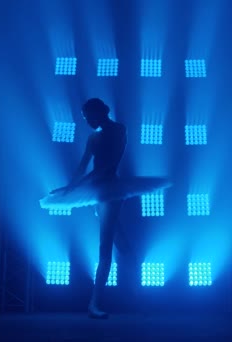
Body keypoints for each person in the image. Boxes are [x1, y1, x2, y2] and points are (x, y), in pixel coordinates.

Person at [40, 98, 171, 319]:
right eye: (85, 118)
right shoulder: (93, 138)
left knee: (106, 247)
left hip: (109, 192)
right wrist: (69, 188)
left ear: (100, 112)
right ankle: (138, 292)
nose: (88, 121)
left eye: (89, 116)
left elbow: (109, 164)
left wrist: (75, 188)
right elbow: (82, 167)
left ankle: (95, 303)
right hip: (97, 192)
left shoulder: (119, 129)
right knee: (120, 244)